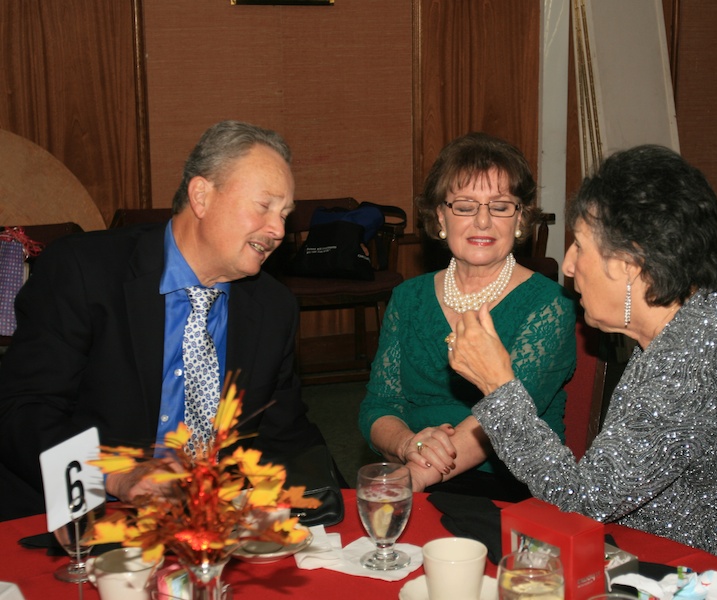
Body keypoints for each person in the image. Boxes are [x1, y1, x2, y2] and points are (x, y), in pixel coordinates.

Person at [448, 145, 717, 599]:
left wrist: (499, 387)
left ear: (630, 265)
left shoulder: (694, 354)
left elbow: (584, 501)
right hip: (676, 567)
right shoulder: (696, 321)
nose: (570, 266)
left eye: (580, 245)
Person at [0, 120, 337, 520]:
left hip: (208, 522)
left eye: (285, 214)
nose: (278, 230)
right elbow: (24, 409)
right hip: (82, 515)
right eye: (264, 206)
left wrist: (348, 499)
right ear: (201, 195)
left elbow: (284, 432)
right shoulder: (84, 271)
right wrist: (116, 476)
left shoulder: (272, 306)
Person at [358, 132, 576, 501]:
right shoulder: (408, 297)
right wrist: (408, 442)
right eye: (465, 205)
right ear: (440, 216)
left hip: (507, 485)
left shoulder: (549, 304)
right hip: (415, 469)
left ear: (520, 219)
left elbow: (506, 417)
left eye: (500, 205)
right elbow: (379, 405)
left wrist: (412, 477)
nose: (483, 221)